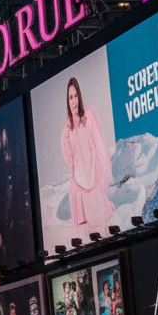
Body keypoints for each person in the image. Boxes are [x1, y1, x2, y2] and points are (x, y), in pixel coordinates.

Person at [61, 76, 115, 241]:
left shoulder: (88, 116)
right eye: (70, 97)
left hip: (93, 182)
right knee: (87, 237)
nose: (74, 100)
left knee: (104, 232)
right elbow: (69, 157)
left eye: (76, 96)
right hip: (79, 185)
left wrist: (92, 176)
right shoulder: (68, 127)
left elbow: (95, 147)